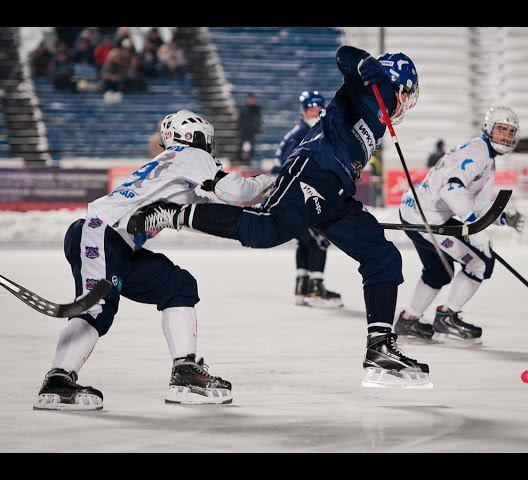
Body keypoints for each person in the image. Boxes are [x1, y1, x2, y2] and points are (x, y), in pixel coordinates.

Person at [127, 46, 432, 389]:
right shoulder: (365, 88)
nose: (407, 100)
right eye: (406, 92)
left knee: (382, 255)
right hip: (313, 171)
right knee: (265, 230)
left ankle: (379, 347)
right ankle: (174, 214)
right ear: (397, 85)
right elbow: (344, 55)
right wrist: (365, 65)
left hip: (338, 191)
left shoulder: (380, 116)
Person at [33, 110, 274, 410]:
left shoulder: (173, 170)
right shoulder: (189, 154)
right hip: (101, 235)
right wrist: (269, 181)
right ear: (192, 136)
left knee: (178, 286)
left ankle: (185, 372)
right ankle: (58, 382)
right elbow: (234, 190)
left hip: (115, 243)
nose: (211, 145)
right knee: (96, 308)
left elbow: (201, 211)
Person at [395, 107, 525, 344]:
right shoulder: (479, 153)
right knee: (479, 263)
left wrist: (502, 217)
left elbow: (478, 206)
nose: (505, 136)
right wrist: (473, 227)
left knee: (439, 271)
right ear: (488, 129)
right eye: (501, 129)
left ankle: (409, 320)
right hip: (427, 217)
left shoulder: (485, 156)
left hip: (416, 211)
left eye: (509, 131)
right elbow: (452, 190)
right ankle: (447, 318)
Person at [272, 91, 343, 308]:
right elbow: (285, 171)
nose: (315, 112)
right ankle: (316, 289)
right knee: (319, 239)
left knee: (305, 241)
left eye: (318, 108)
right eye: (311, 109)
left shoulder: (308, 132)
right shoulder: (301, 135)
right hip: (299, 198)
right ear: (303, 111)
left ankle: (302, 287)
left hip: (296, 199)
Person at [235, 93, 262, 164]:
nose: (250, 101)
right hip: (243, 130)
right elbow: (240, 119)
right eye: (249, 99)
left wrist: (257, 128)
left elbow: (258, 120)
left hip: (252, 131)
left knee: (251, 146)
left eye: (252, 99)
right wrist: (239, 129)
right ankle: (238, 159)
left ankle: (249, 160)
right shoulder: (243, 108)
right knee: (240, 145)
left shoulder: (256, 109)